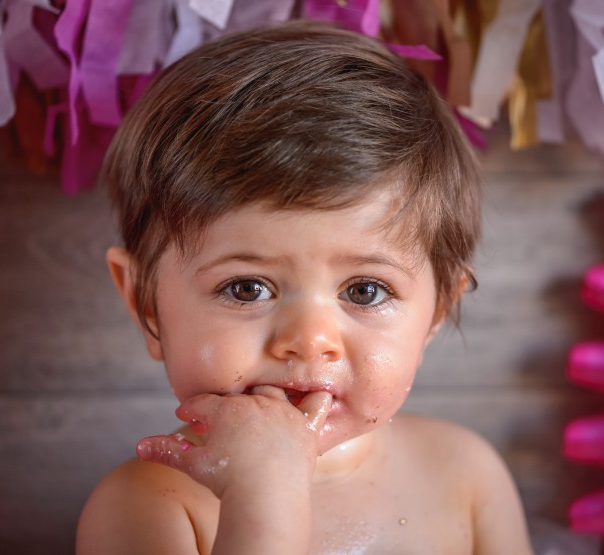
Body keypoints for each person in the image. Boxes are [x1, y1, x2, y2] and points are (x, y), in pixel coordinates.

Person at [76, 20, 533, 555]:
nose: (311, 340)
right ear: (144, 303)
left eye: (364, 290)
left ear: (437, 312)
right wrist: (265, 496)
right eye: (247, 288)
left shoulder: (467, 474)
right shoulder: (147, 505)